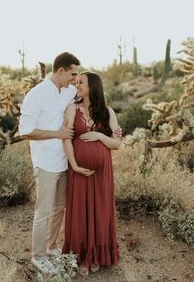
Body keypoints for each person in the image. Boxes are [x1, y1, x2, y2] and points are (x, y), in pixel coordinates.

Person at [18, 52, 93, 272]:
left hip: (66, 162)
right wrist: (57, 133)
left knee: (61, 208)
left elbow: (89, 104)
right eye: (72, 73)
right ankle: (38, 255)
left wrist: (110, 128)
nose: (74, 78)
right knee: (44, 211)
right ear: (60, 70)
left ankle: (51, 247)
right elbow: (25, 131)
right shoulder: (36, 94)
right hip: (46, 163)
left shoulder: (70, 92)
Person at [62, 71, 122, 277]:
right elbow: (66, 139)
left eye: (81, 82)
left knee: (99, 210)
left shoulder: (108, 112)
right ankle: (81, 257)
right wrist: (75, 165)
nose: (76, 85)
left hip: (102, 172)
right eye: (76, 81)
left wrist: (98, 135)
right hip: (79, 170)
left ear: (93, 86)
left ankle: (96, 255)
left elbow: (116, 144)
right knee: (79, 212)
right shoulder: (72, 108)